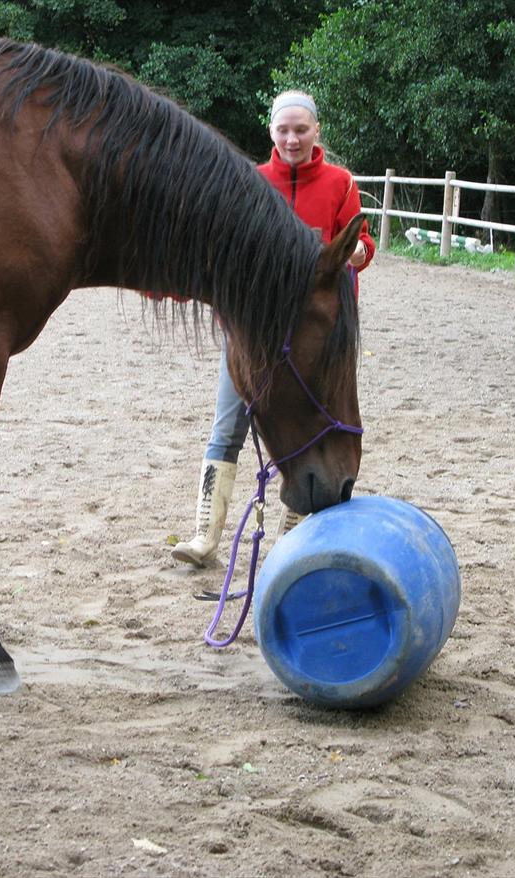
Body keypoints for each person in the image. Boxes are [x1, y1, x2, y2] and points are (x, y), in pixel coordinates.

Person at [172, 90, 374, 567]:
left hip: (312, 334)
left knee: (311, 420)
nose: (292, 139)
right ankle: (205, 532)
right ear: (271, 132)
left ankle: (294, 528)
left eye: (301, 130)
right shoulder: (252, 182)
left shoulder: (340, 183)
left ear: (316, 131)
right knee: (228, 425)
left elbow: (358, 237)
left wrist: (359, 253)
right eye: (283, 130)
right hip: (253, 328)